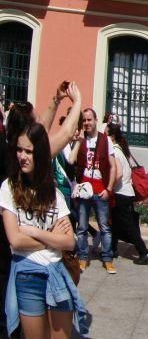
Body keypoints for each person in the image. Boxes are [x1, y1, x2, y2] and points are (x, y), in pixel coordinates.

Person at [1, 121, 88, 339]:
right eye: (19, 150)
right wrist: (53, 237)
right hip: (27, 274)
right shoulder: (8, 188)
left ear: (40, 154)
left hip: (58, 272)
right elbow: (16, 241)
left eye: (29, 151)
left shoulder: (55, 194)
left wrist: (34, 232)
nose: (22, 156)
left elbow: (70, 242)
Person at [72, 108, 116, 274]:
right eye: (84, 120)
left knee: (104, 227)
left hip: (100, 190)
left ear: (96, 120)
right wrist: (77, 141)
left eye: (89, 120)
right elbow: (72, 161)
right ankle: (83, 257)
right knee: (82, 227)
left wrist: (109, 189)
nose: (87, 123)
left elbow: (113, 167)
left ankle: (107, 258)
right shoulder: (81, 140)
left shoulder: (106, 140)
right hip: (84, 190)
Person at [106, 123, 148, 265]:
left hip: (121, 193)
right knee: (114, 223)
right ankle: (112, 249)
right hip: (126, 192)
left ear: (111, 136)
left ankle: (144, 253)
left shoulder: (114, 150)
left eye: (106, 134)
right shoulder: (122, 149)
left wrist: (109, 187)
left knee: (128, 226)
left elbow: (118, 174)